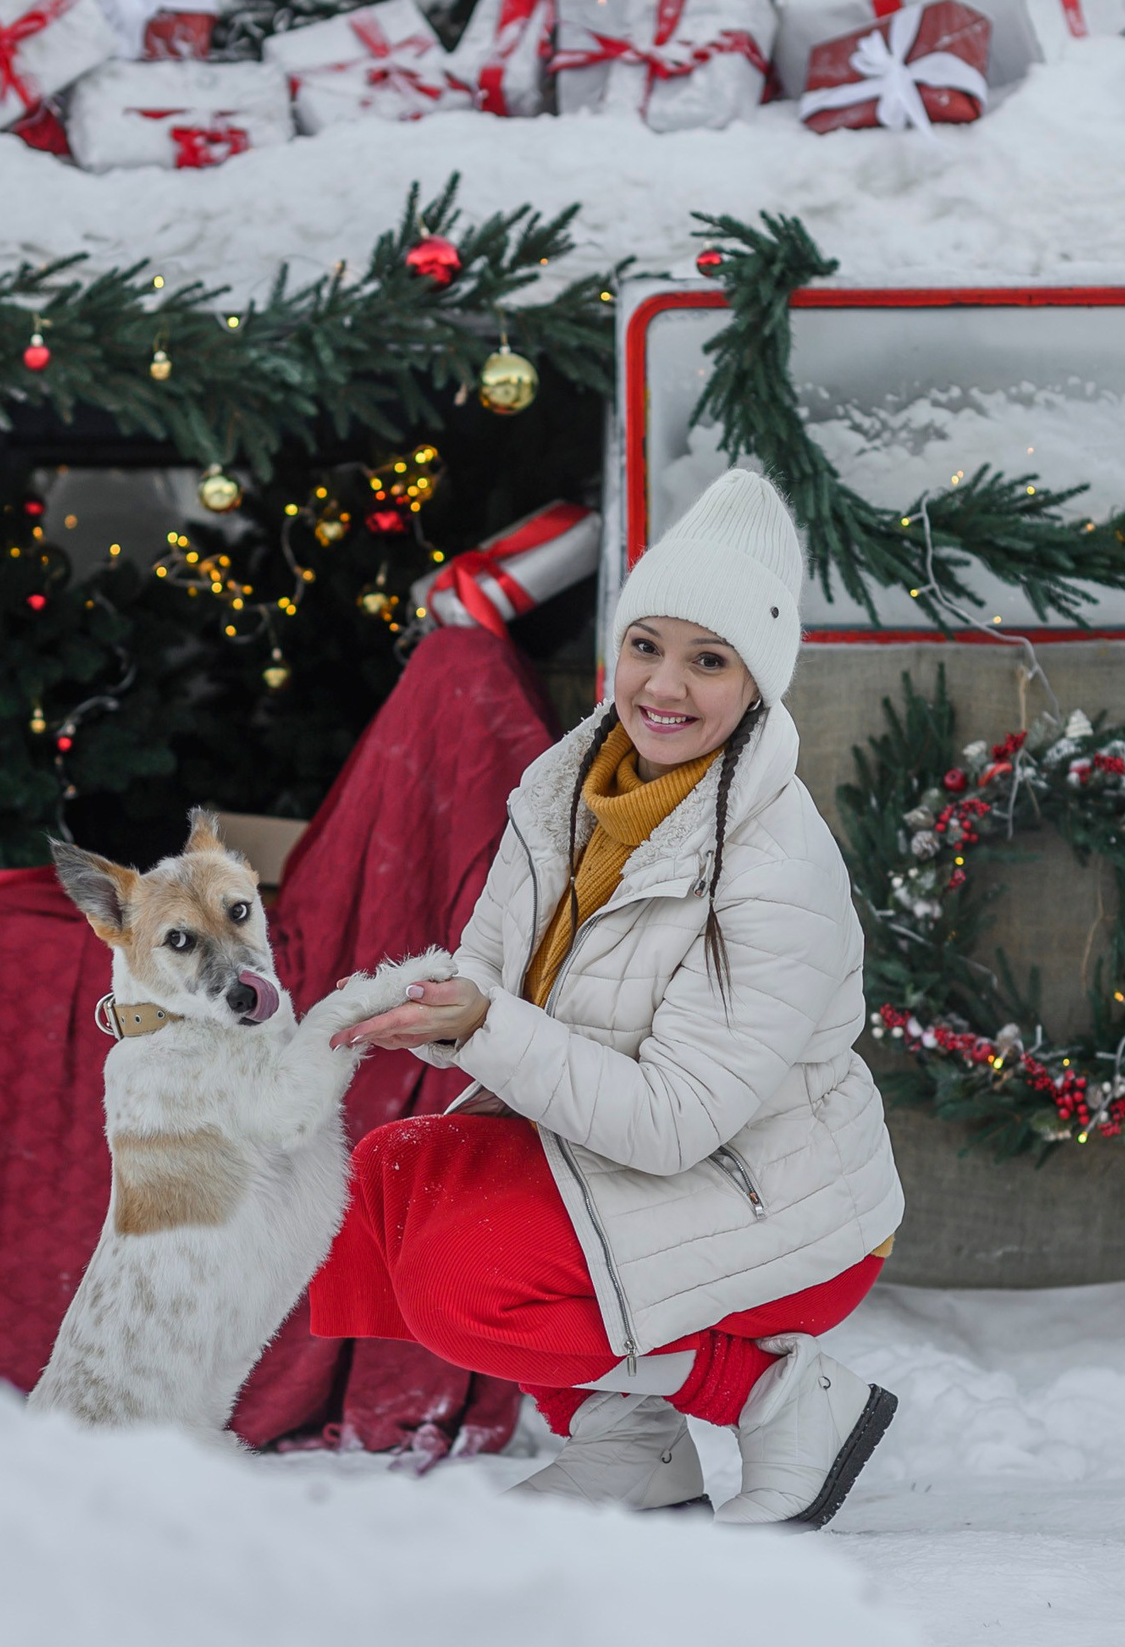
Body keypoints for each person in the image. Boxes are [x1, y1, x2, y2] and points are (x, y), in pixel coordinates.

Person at [311, 468, 904, 1527]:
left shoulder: (776, 867)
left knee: (465, 1281)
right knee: (388, 1179)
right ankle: (630, 1447)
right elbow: (491, 974)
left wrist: (484, 1026)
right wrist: (435, 1010)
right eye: (645, 645)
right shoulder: (566, 789)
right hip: (615, 1167)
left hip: (777, 1207)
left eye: (708, 659)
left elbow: (672, 1123)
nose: (663, 685)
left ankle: (774, 1392)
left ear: (757, 685)